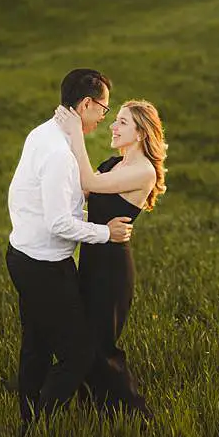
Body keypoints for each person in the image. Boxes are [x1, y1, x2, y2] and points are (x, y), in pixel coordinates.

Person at [5, 69, 132, 430]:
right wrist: (105, 233)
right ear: (86, 104)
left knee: (37, 343)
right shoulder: (60, 154)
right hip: (45, 266)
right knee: (79, 353)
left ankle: (28, 420)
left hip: (23, 255)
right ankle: (40, 425)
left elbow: (24, 195)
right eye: (103, 110)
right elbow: (59, 223)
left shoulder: (42, 132)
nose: (103, 119)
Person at [55, 98, 167, 417]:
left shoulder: (142, 171)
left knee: (102, 347)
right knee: (85, 343)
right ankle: (97, 411)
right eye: (114, 119)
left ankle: (137, 417)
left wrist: (75, 130)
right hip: (91, 261)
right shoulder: (112, 164)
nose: (113, 127)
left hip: (112, 270)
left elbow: (88, 183)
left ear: (142, 132)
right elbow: (82, 191)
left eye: (122, 122)